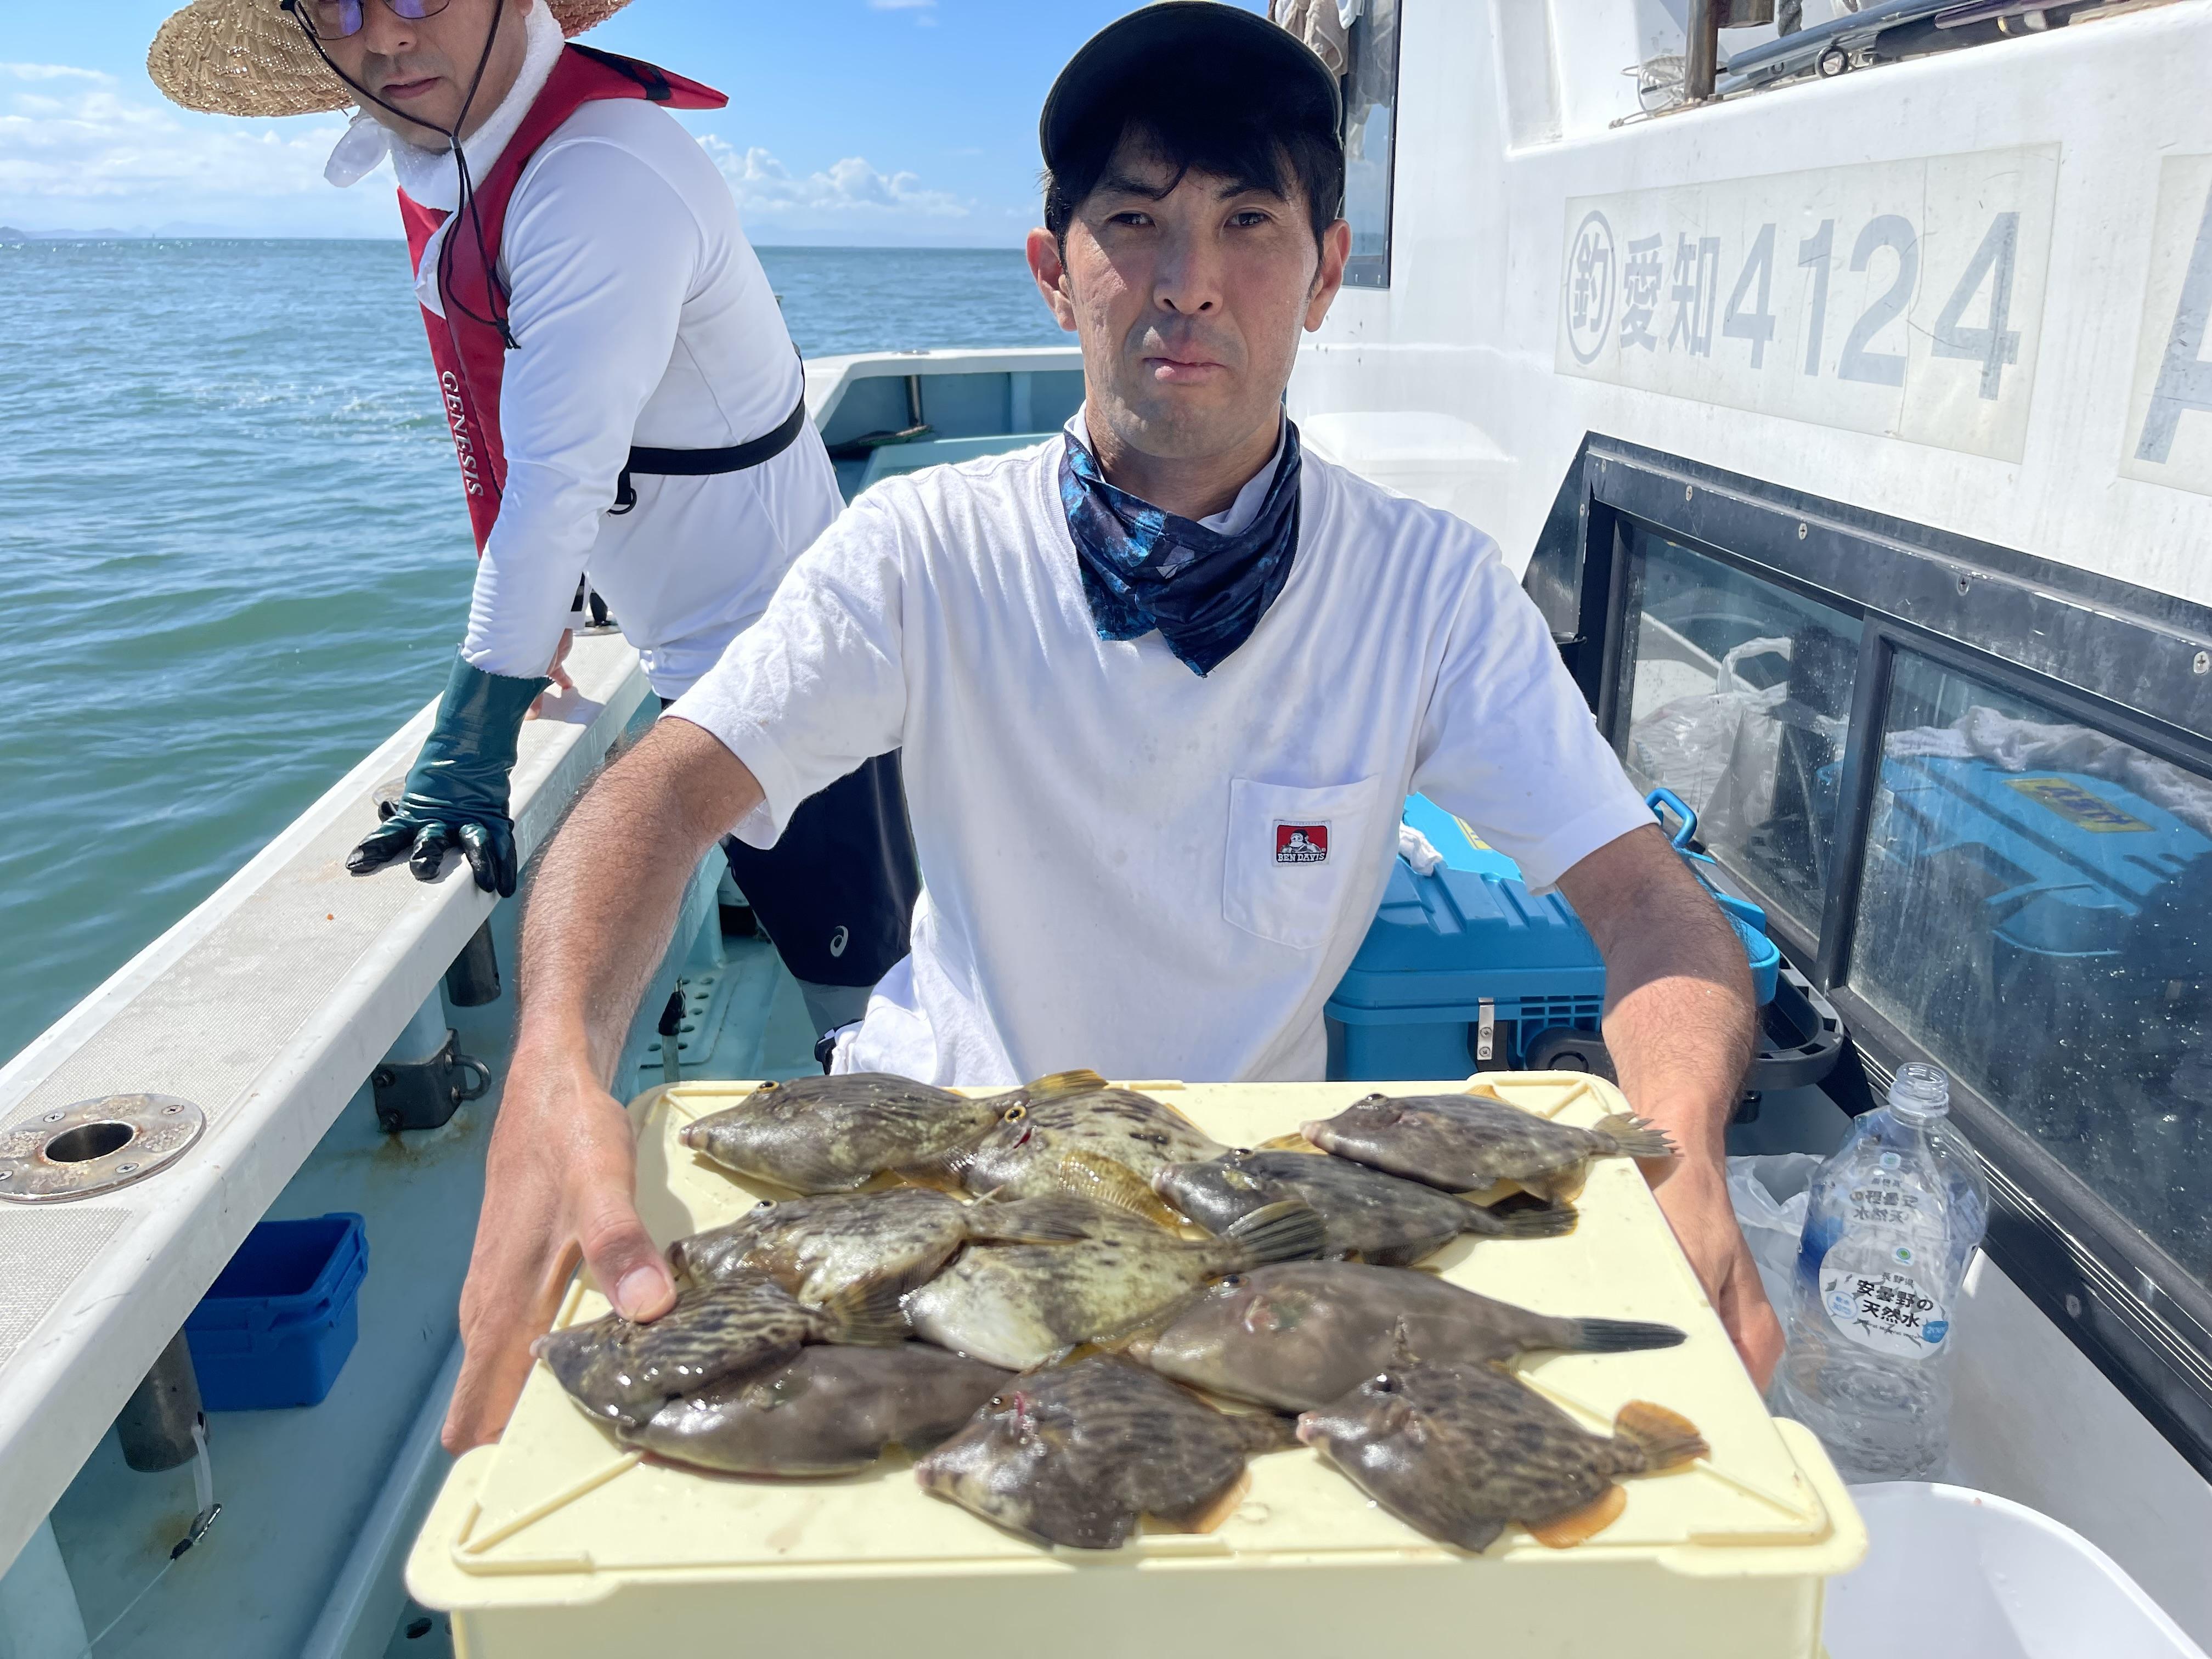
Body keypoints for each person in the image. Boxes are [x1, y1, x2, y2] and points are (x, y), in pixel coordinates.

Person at [439, 1, 1783, 1451]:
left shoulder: (1430, 588)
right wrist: (555, 1069)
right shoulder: (922, 549)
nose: (1189, 282)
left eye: (1250, 222)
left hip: (1246, 1206)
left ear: (1326, 272)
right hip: (939, 1174)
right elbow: (661, 798)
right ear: (1051, 274)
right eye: (1134, 221)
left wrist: (1684, 1155)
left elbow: (1649, 901)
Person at [146, 0, 918, 1034]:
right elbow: (502, 405)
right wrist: (548, 605)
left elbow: (556, 473)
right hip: (673, 617)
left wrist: (470, 744)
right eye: (339, 5)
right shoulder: (458, 143)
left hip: (776, 642)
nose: (383, 36)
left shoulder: (599, 174)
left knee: (863, 981)